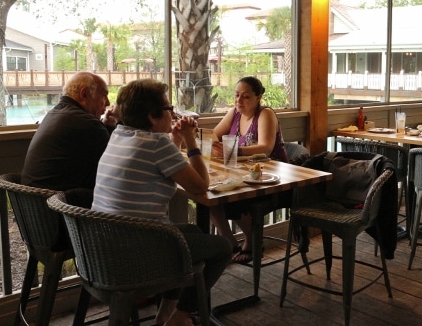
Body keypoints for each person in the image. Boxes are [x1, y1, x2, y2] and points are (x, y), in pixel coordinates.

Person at [90, 79, 231, 326]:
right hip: (139, 251)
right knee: (223, 247)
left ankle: (165, 314)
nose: (173, 112)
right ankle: (181, 316)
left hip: (105, 247)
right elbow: (200, 186)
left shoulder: (120, 135)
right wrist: (190, 140)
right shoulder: (155, 144)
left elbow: (161, 167)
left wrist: (174, 140)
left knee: (193, 231)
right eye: (168, 108)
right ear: (153, 117)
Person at [210, 76, 288, 264]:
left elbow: (266, 148)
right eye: (237, 95)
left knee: (232, 200)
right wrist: (213, 144)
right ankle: (229, 241)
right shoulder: (234, 113)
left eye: (245, 96)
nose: (239, 100)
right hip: (243, 173)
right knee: (209, 195)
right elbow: (214, 134)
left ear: (258, 96)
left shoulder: (265, 114)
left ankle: (252, 239)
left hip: (272, 177)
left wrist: (233, 149)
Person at [21, 71, 118, 190]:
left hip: (32, 202)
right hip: (59, 204)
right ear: (84, 94)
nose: (107, 103)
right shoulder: (87, 123)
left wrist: (107, 126)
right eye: (104, 95)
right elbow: (117, 161)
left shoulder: (55, 113)